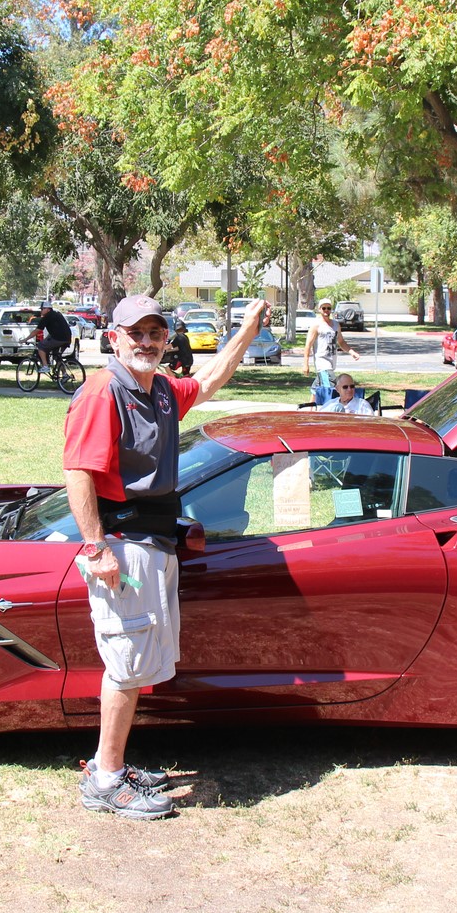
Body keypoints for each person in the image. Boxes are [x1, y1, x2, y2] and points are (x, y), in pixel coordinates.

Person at [63, 292, 272, 819]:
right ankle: (106, 781)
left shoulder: (157, 391)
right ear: (114, 337)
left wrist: (246, 329)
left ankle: (108, 764)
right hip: (123, 548)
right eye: (137, 333)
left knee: (136, 661)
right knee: (126, 664)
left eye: (156, 333)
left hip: (153, 544)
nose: (148, 342)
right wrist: (97, 547)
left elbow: (212, 379)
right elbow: (78, 473)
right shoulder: (102, 393)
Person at [302, 298, 360, 406]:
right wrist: (306, 364)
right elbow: (308, 346)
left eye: (328, 308)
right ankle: (330, 413)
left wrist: (352, 352)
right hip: (322, 364)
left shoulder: (335, 325)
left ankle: (310, 413)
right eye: (324, 308)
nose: (326, 310)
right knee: (331, 390)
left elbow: (341, 342)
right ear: (319, 309)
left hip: (331, 363)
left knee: (316, 389)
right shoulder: (316, 325)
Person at [34, 301, 72, 371]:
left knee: (40, 346)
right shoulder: (57, 314)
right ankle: (64, 375)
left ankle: (45, 366)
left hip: (58, 339)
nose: (41, 311)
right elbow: (56, 330)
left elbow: (37, 330)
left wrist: (25, 339)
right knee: (57, 356)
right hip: (67, 338)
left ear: (48, 309)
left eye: (42, 309)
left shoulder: (47, 317)